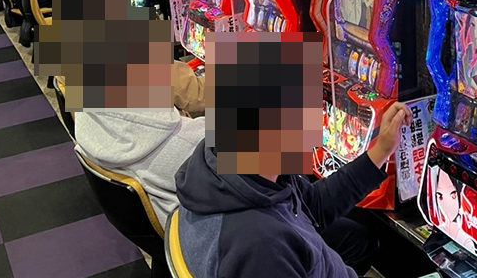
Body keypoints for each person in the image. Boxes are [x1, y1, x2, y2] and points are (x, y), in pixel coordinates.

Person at [175, 102, 412, 278]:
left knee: (357, 237)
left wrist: (381, 151)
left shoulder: (236, 170)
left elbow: (313, 205)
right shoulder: (260, 247)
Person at [75, 61, 205, 227]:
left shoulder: (85, 113)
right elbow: (198, 95)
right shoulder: (189, 143)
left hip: (162, 214)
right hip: (198, 227)